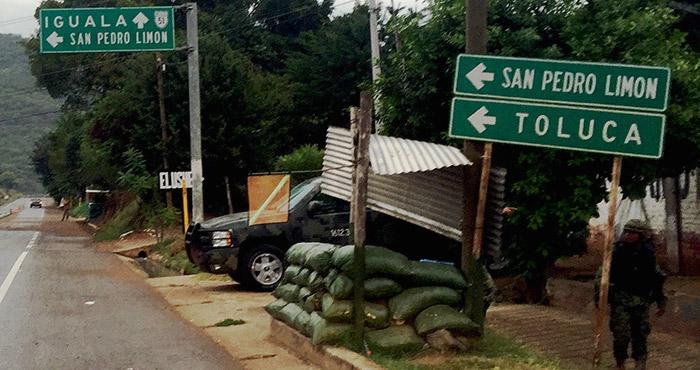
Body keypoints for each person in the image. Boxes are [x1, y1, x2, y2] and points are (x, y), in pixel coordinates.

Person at [596, 219, 666, 370]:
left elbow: (656, 277)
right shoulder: (616, 251)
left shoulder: (648, 253)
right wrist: (599, 299)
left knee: (640, 335)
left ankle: (640, 364)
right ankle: (619, 363)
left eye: (632, 232)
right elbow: (602, 275)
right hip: (621, 300)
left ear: (642, 235)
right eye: (626, 231)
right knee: (621, 335)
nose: (628, 235)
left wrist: (661, 301)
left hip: (641, 301)